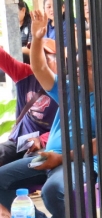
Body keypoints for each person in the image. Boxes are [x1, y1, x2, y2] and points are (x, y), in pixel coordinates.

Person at [0, 10, 102, 218]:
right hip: (48, 157)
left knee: (53, 190)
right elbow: (39, 69)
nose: (78, 70)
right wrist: (37, 38)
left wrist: (61, 158)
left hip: (81, 162)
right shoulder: (68, 90)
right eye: (75, 64)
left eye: (86, 65)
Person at [0, 37, 59, 169]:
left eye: (44, 56)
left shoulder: (67, 85)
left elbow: (69, 126)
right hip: (19, 141)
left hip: (48, 143)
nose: (38, 60)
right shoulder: (24, 73)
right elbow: (2, 57)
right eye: (35, 55)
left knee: (31, 162)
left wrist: (42, 140)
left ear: (59, 60)